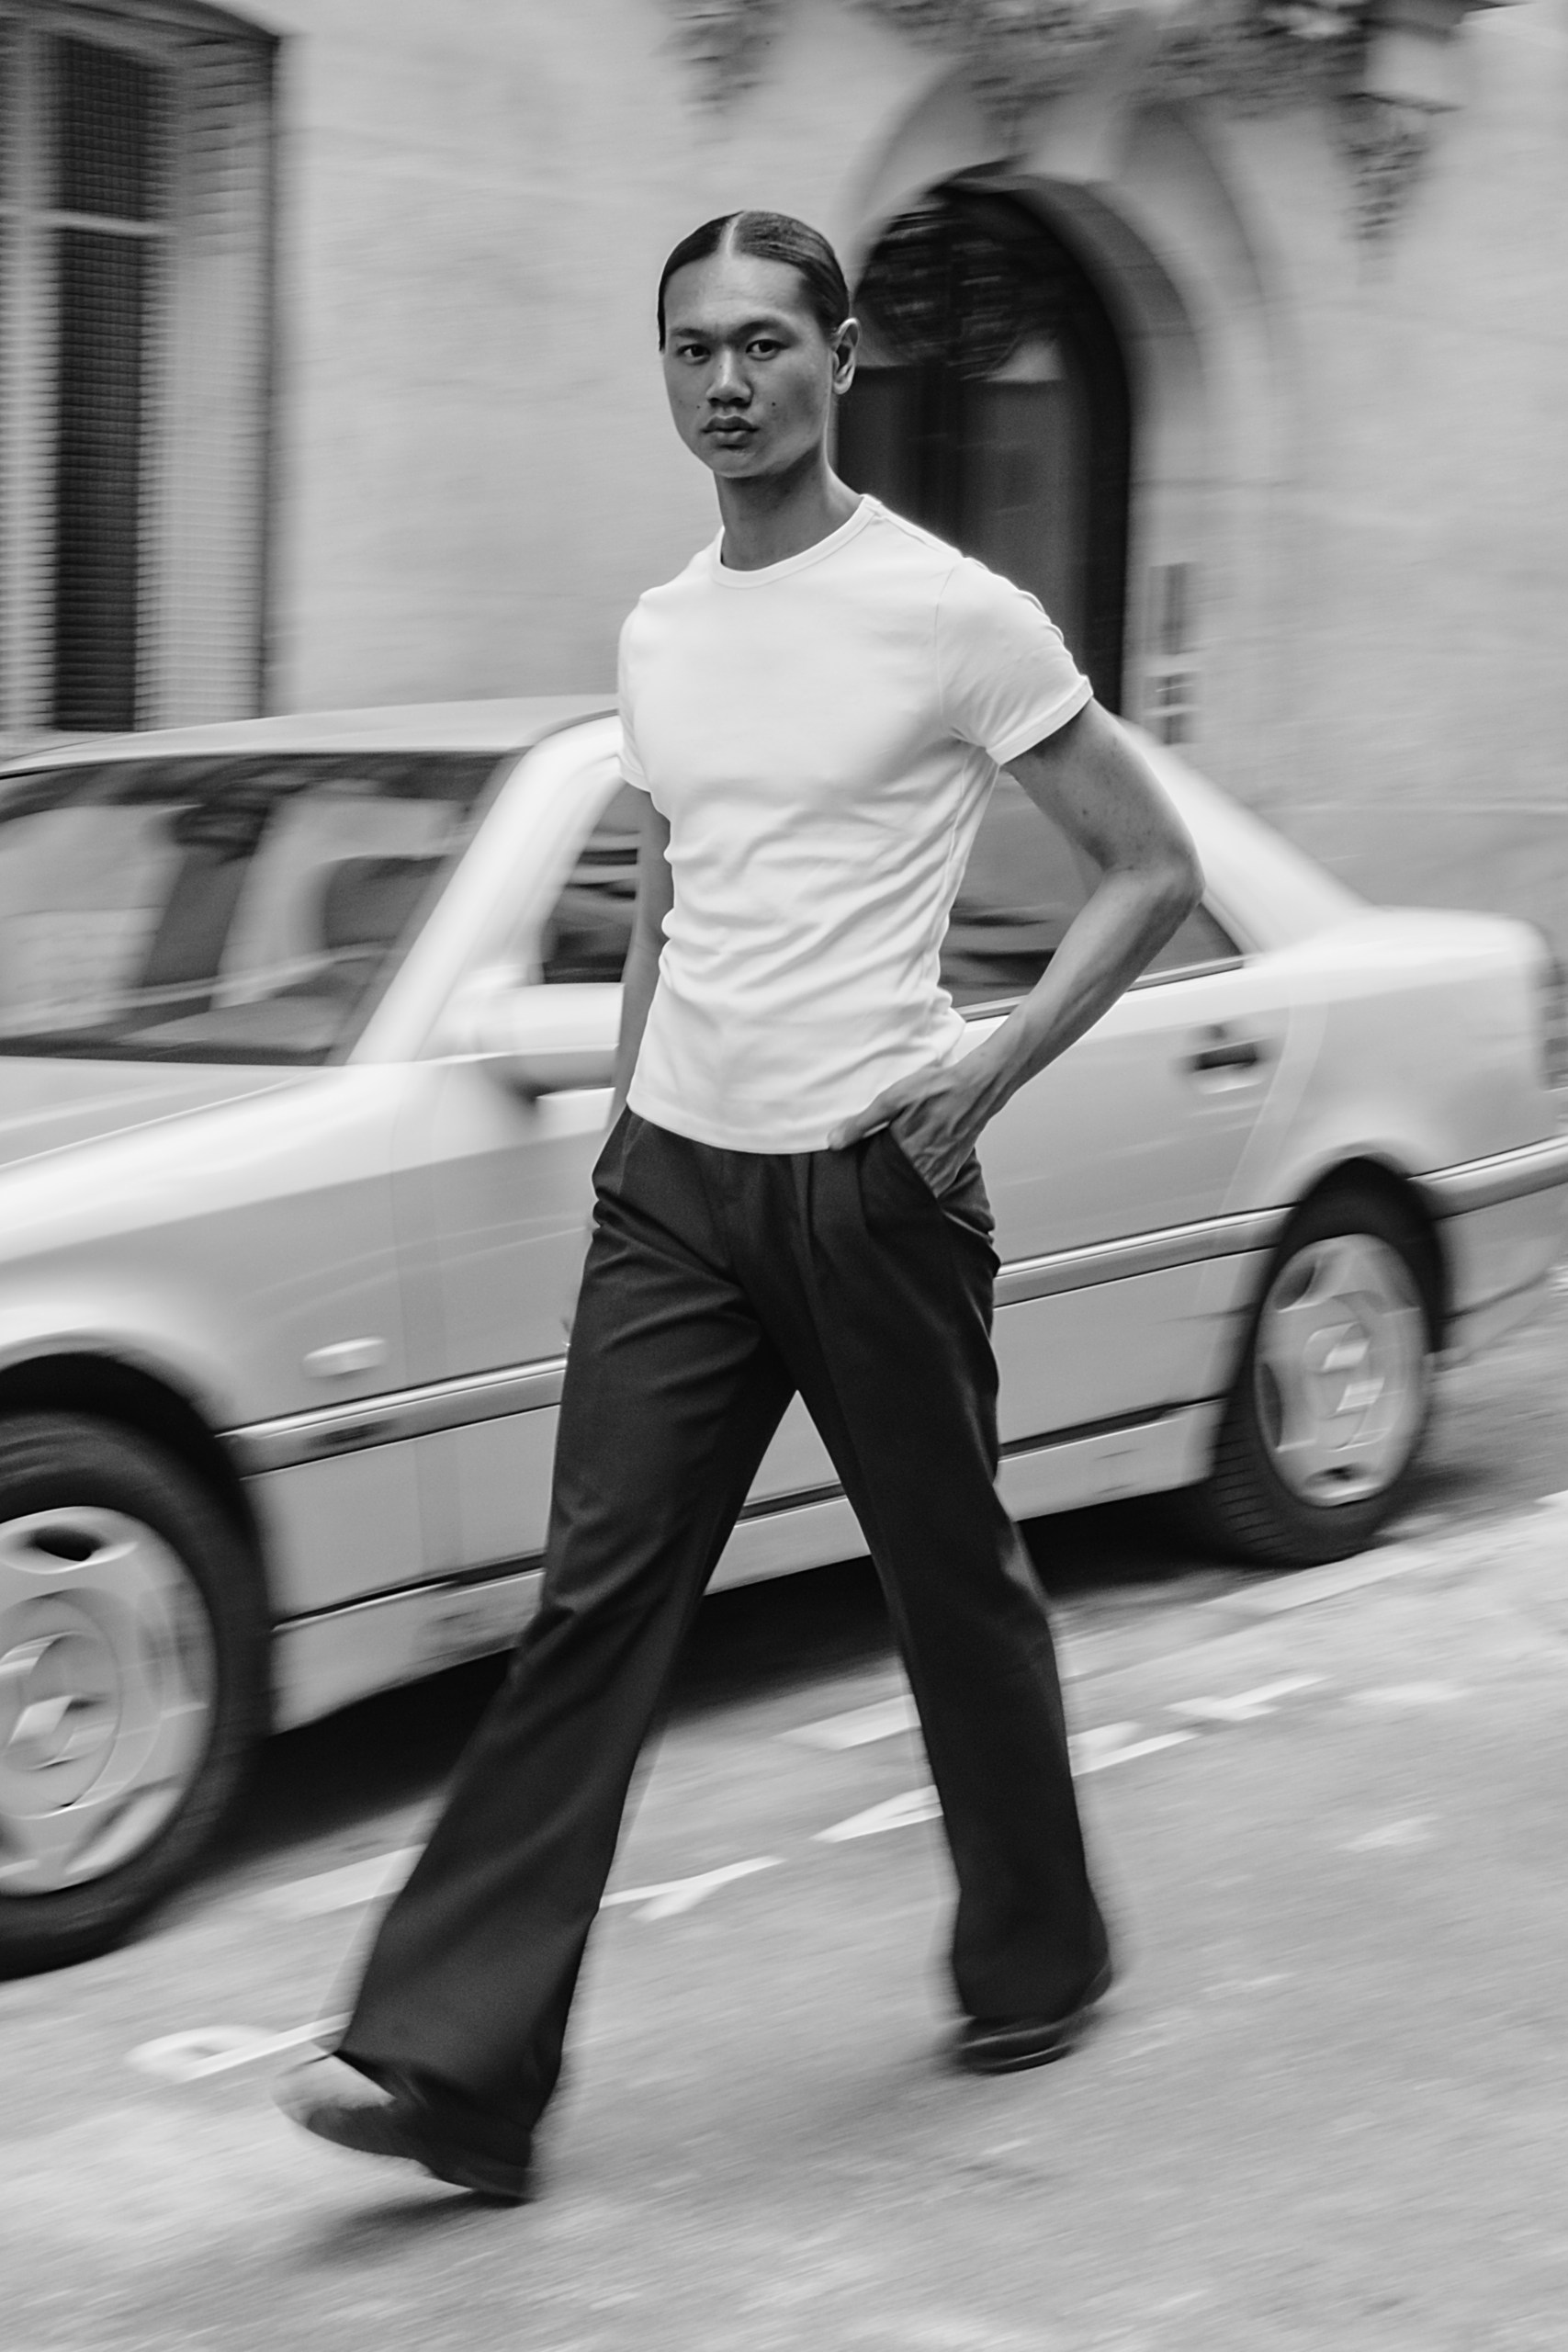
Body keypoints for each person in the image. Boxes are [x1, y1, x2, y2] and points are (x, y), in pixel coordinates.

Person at [275, 209, 1201, 2205]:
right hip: (678, 1195)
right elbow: (672, 892)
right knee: (590, 1608)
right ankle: (452, 2068)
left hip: (876, 1179)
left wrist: (986, 1076)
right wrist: (628, 1131)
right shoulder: (660, 629)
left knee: (949, 1586)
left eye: (767, 342)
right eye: (692, 347)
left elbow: (1149, 867)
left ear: (840, 360)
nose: (726, 380)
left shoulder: (951, 612)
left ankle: (1037, 1954)